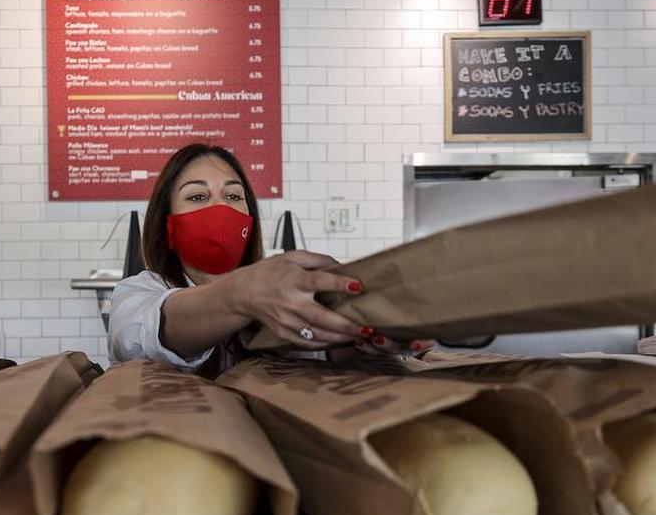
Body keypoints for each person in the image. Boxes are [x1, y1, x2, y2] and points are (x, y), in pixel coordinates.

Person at [107, 143, 432, 377]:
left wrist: (363, 335)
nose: (220, 209)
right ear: (168, 225)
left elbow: (321, 349)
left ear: (250, 220)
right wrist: (239, 296)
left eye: (234, 196)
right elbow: (141, 337)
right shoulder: (137, 293)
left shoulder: (285, 291)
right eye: (197, 196)